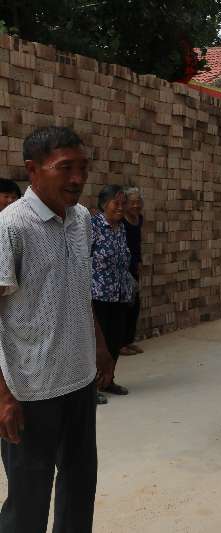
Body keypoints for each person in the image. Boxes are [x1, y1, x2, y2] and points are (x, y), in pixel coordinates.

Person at [0, 126, 114, 532]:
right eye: (65, 168)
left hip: (79, 382)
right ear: (32, 170)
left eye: (83, 167)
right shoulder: (11, 227)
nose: (78, 178)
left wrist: (100, 346)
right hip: (30, 390)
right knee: (28, 503)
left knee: (79, 488)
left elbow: (79, 289)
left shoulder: (81, 219)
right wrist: (3, 396)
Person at [91, 184, 135, 401]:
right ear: (103, 204)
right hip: (97, 294)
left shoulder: (122, 228)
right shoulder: (93, 226)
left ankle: (108, 380)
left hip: (119, 293)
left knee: (115, 340)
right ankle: (92, 387)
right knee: (97, 343)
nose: (120, 207)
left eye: (123, 203)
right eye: (115, 203)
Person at [120, 186, 144, 356]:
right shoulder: (122, 221)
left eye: (138, 202)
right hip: (123, 268)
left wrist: (139, 261)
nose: (136, 205)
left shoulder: (139, 219)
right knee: (123, 306)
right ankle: (120, 344)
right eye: (132, 202)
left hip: (134, 267)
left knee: (134, 305)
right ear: (126, 203)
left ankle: (129, 340)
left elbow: (137, 242)